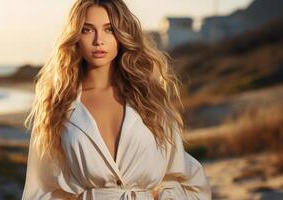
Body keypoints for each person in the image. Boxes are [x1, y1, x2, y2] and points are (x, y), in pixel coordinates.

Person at [21, 0, 211, 199]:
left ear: (122, 35)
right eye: (87, 30)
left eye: (109, 29)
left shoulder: (150, 99)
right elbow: (40, 190)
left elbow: (185, 176)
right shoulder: (57, 106)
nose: (98, 41)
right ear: (75, 36)